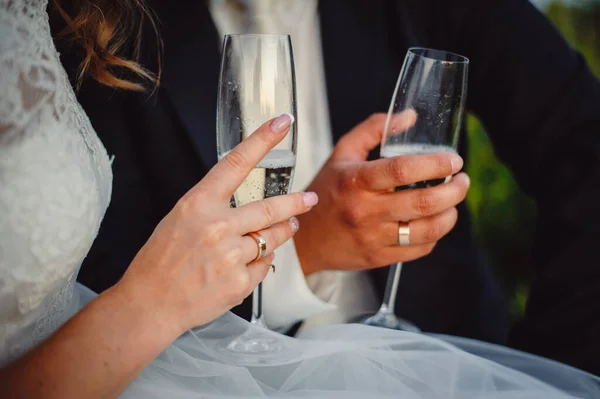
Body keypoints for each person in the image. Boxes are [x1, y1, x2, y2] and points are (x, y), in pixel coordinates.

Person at [3, 0, 600, 397]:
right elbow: (79, 272)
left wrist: (549, 368)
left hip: (440, 360)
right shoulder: (99, 20)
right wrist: (300, 249)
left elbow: (585, 141)